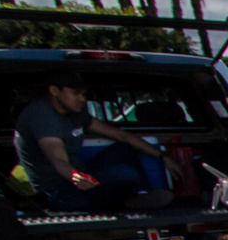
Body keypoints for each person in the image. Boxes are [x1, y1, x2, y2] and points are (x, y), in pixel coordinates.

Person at [14, 69, 181, 212]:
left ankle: (139, 196)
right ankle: (123, 201)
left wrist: (163, 157)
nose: (82, 99)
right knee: (125, 173)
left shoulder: (76, 113)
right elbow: (58, 160)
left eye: (83, 94)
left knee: (124, 148)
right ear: (54, 91)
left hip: (82, 179)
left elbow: (121, 135)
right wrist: (79, 178)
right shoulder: (42, 115)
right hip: (60, 193)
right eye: (75, 93)